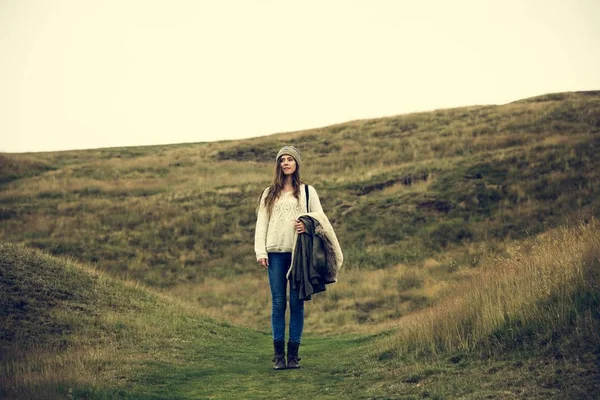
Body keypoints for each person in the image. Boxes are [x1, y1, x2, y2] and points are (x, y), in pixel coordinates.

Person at [254, 145, 324, 370]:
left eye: (290, 159)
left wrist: (307, 225)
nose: (286, 163)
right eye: (282, 160)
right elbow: (261, 223)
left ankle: (293, 356)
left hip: (298, 255)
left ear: (296, 164)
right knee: (277, 304)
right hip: (274, 254)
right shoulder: (269, 193)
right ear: (278, 165)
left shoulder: (307, 191)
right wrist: (260, 251)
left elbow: (320, 219)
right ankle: (278, 356)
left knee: (296, 304)